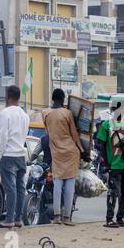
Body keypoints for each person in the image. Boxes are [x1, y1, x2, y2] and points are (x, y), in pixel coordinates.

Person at [42, 89, 85, 226]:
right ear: (63, 99)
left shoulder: (46, 114)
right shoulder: (67, 113)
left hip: (56, 153)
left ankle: (57, 217)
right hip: (71, 152)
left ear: (53, 98)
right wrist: (82, 150)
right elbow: (74, 134)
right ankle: (67, 217)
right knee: (69, 187)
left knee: (57, 186)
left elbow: (48, 133)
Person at [0, 86, 29, 229]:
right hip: (21, 155)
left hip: (8, 155)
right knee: (20, 188)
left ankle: (9, 219)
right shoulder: (25, 115)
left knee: (10, 189)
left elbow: (3, 136)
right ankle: (18, 219)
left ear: (8, 96)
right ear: (18, 97)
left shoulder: (5, 113)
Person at [97, 101, 124, 228]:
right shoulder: (106, 125)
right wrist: (106, 163)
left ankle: (119, 218)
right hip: (114, 166)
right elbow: (101, 145)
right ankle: (109, 219)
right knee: (114, 192)